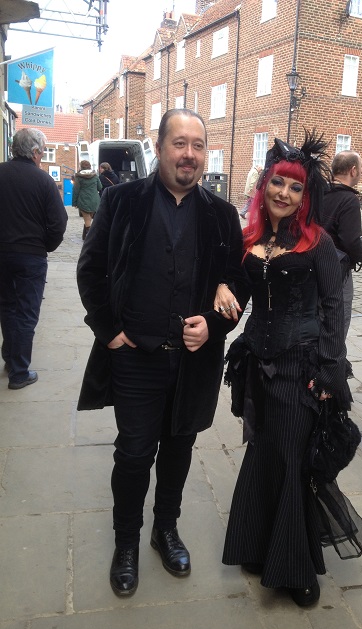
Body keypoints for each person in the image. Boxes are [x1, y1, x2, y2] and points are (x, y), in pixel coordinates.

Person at [76, 108, 249, 598]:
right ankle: (126, 543)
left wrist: (213, 325)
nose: (189, 154)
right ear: (159, 146)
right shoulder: (122, 201)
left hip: (193, 362)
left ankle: (164, 530)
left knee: (178, 451)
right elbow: (90, 271)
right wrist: (109, 331)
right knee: (133, 454)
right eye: (180, 143)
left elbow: (239, 285)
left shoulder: (220, 214)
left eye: (198, 145)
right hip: (135, 356)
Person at [216, 134, 362, 607]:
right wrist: (221, 287)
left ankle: (297, 565)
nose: (284, 193)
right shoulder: (253, 240)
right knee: (263, 452)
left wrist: (328, 374)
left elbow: (333, 308)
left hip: (299, 367)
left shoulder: (318, 244)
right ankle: (257, 543)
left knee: (291, 460)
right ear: (265, 186)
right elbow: (240, 296)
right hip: (258, 366)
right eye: (277, 183)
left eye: (295, 187)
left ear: (307, 197)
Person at [0, 128, 67, 389]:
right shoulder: (42, 181)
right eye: (42, 151)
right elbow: (58, 223)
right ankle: (19, 372)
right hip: (30, 256)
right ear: (36, 152)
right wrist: (46, 246)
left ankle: (10, 358)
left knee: (7, 307)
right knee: (26, 312)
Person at [320, 151, 362, 340]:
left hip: (314, 267)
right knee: (337, 324)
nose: (360, 173)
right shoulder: (349, 200)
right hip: (337, 272)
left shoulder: (321, 192)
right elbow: (351, 242)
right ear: (353, 170)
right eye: (360, 169)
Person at [72, 160, 102, 240]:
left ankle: (90, 238)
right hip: (95, 201)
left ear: (81, 167)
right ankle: (84, 236)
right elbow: (100, 187)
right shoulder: (95, 175)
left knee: (87, 220)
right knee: (89, 218)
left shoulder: (78, 177)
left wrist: (74, 203)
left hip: (83, 200)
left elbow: (76, 190)